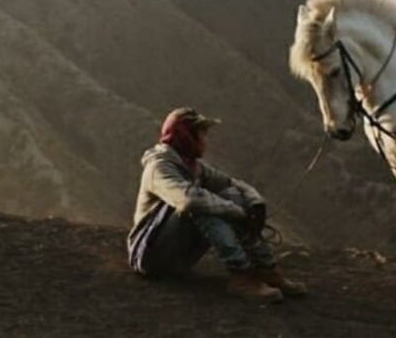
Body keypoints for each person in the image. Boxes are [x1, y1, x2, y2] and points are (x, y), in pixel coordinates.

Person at [127, 107, 307, 302]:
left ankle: (265, 268)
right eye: (201, 134)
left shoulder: (192, 166)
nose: (205, 141)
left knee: (229, 195)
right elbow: (189, 200)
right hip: (150, 257)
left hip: (178, 257)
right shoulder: (160, 167)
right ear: (186, 136)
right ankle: (241, 274)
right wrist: (239, 213)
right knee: (200, 205)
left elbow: (230, 184)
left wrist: (255, 203)